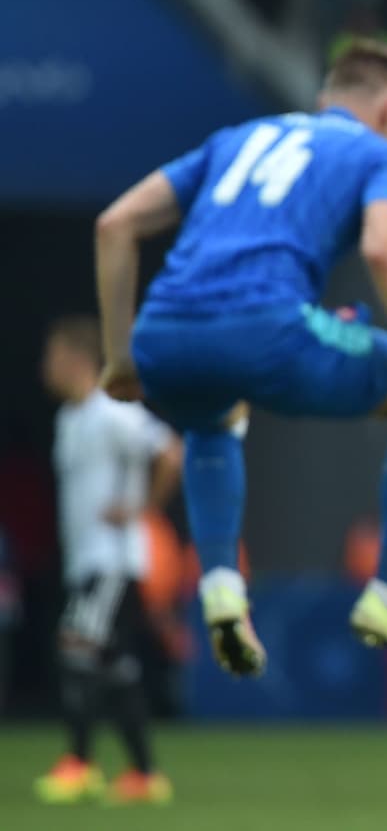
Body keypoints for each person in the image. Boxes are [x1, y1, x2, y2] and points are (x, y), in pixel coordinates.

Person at [93, 39, 387, 679]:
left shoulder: (238, 138)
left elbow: (115, 225)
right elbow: (384, 250)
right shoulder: (381, 155)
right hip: (264, 329)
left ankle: (221, 583)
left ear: (323, 99)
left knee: (213, 414)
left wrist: (119, 359)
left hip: (163, 336)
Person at [35, 317, 183, 805]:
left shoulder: (110, 411)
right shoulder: (70, 418)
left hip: (111, 560)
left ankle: (79, 763)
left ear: (77, 360)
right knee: (116, 667)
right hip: (86, 561)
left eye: (53, 357)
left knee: (76, 647)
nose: (46, 368)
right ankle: (145, 775)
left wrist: (144, 511)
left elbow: (169, 451)